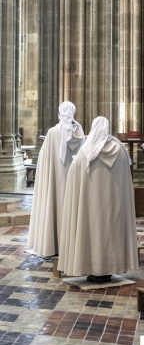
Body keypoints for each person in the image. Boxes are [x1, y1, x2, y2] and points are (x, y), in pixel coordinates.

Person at [58, 116, 138, 283]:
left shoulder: (87, 151)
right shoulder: (120, 150)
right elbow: (126, 178)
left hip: (90, 207)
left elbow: (74, 174)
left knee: (91, 232)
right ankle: (109, 269)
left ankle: (93, 268)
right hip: (114, 206)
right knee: (111, 231)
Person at [28, 101, 85, 257]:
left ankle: (54, 243)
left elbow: (44, 158)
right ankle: (72, 244)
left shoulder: (53, 132)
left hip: (56, 177)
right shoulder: (79, 131)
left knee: (55, 203)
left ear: (59, 114)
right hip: (73, 177)